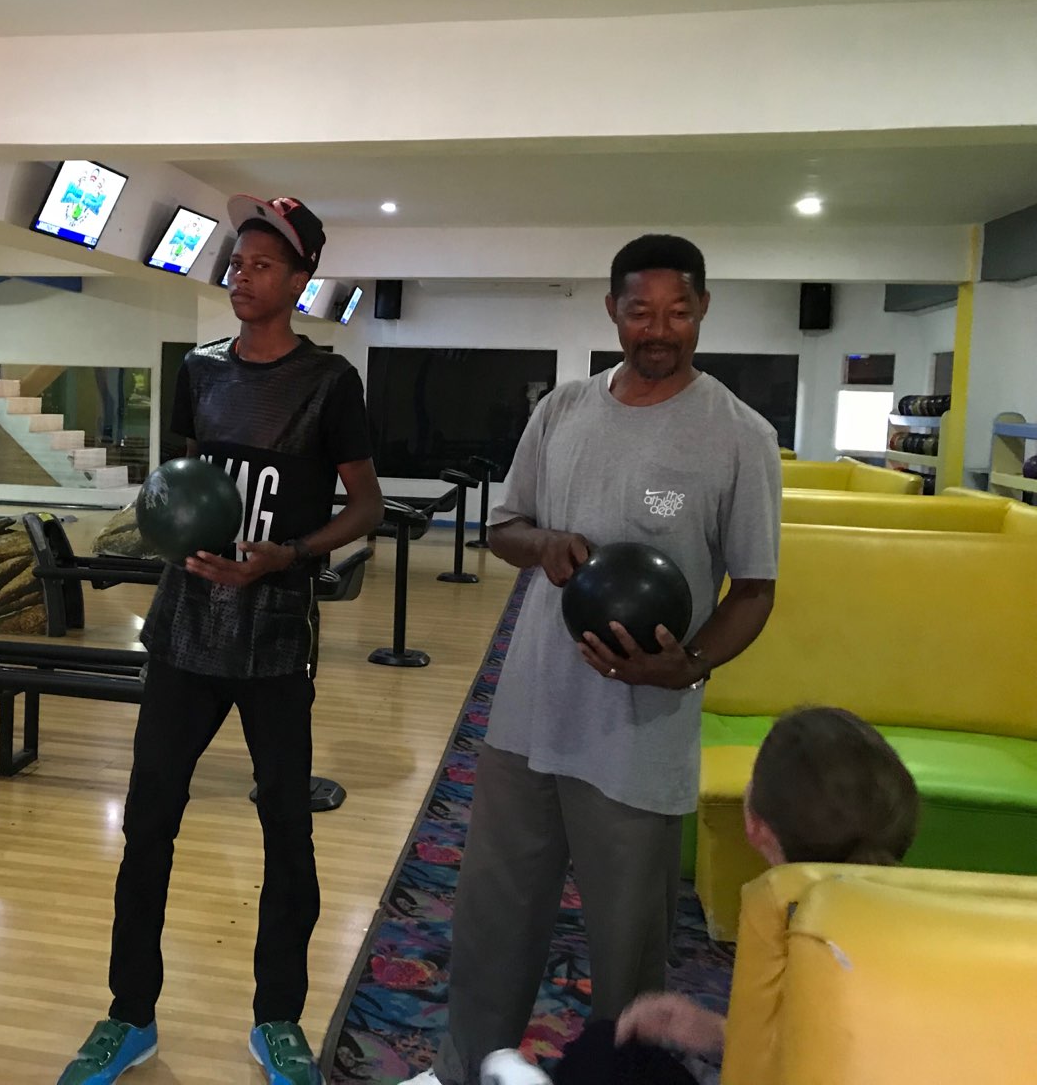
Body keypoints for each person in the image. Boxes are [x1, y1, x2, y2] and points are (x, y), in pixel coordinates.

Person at [405, 234, 783, 1085]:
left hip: (639, 727)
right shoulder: (563, 410)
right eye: (641, 311)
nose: (660, 329)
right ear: (613, 311)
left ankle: (624, 1077)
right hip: (528, 710)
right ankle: (464, 1068)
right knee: (493, 914)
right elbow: (504, 527)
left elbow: (755, 590)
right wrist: (543, 544)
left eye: (678, 311)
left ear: (703, 309)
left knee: (627, 943)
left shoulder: (739, 436)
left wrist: (688, 664)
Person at [57, 196, 385, 1085]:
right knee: (148, 824)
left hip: (274, 638)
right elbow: (180, 485)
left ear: (301, 279)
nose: (243, 276)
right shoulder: (199, 371)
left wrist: (291, 554)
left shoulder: (329, 383)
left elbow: (366, 505)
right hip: (184, 633)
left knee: (287, 831)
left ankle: (277, 1020)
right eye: (237, 263)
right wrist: (167, 534)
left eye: (263, 265)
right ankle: (130, 1014)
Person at [470, 706, 920, 1084]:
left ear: (754, 824)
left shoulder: (789, 934)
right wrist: (718, 1032)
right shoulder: (914, 922)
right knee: (612, 1045)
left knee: (601, 1057)